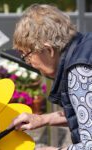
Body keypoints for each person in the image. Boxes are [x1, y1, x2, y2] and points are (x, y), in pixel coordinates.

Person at [9, 3, 92, 150]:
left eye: (27, 56)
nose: (29, 63)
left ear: (48, 50)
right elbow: (86, 115)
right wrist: (43, 119)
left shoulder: (80, 73)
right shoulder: (85, 45)